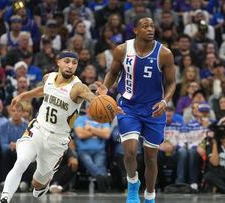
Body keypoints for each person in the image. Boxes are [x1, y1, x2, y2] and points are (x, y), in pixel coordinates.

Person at [0, 50, 112, 203]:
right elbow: (44, 90)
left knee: (38, 183)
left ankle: (43, 185)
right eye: (67, 61)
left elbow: (93, 99)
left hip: (57, 141)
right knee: (21, 161)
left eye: (74, 63)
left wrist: (104, 100)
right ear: (58, 62)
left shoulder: (78, 88)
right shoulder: (48, 77)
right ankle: (3, 200)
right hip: (37, 130)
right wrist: (23, 95)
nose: (70, 66)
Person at [97, 16, 176, 203]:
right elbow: (113, 73)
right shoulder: (122, 50)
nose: (150, 29)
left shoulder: (164, 53)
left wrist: (165, 102)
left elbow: (172, 82)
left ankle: (150, 194)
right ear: (135, 30)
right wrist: (105, 89)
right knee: (130, 151)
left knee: (150, 158)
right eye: (145, 26)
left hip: (154, 108)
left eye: (152, 26)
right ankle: (133, 183)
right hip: (128, 107)